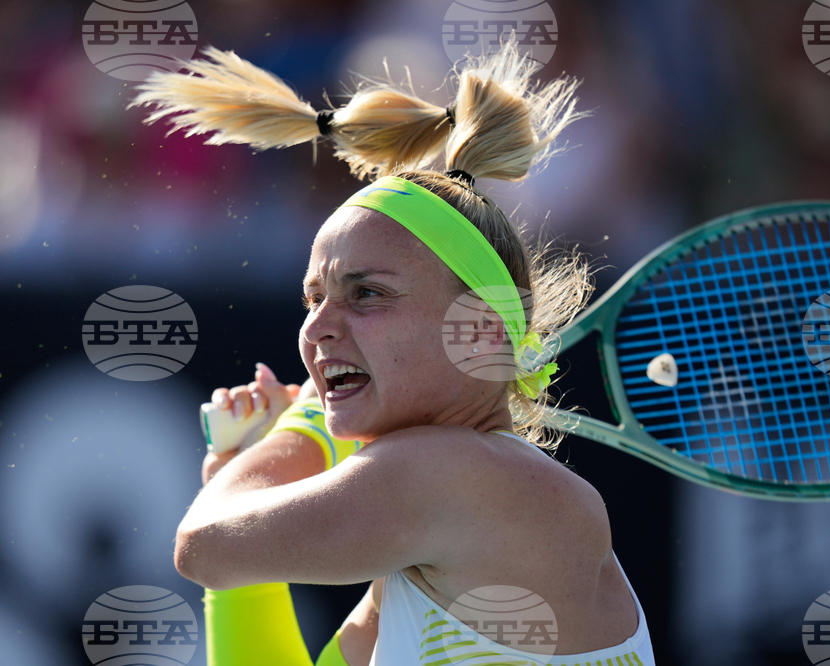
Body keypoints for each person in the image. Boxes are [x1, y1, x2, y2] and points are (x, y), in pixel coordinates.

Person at [134, 39, 656, 665]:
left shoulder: (447, 477)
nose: (318, 329)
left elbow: (203, 543)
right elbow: (222, 560)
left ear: (482, 330)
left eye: (367, 293)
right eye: (314, 298)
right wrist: (235, 471)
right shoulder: (439, 520)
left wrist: (296, 436)